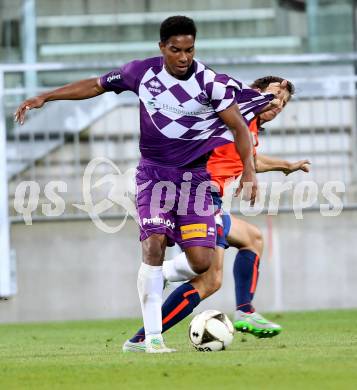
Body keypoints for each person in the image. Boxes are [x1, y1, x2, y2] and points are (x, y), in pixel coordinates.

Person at [14, 16, 280, 353]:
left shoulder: (209, 83)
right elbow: (95, 85)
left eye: (189, 49)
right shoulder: (142, 73)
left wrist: (250, 172)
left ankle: (158, 275)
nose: (183, 57)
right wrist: (46, 98)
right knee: (153, 243)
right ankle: (152, 339)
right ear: (162, 48)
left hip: (195, 182)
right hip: (153, 177)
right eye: (176, 50)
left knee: (202, 264)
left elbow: (240, 128)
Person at [124, 76, 310, 352]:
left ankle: (244, 310)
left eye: (282, 103)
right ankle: (143, 336)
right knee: (209, 280)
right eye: (273, 96)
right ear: (254, 92)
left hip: (209, 198)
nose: (277, 105)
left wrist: (286, 166)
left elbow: (251, 159)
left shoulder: (250, 125)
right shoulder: (236, 110)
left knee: (252, 238)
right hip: (198, 194)